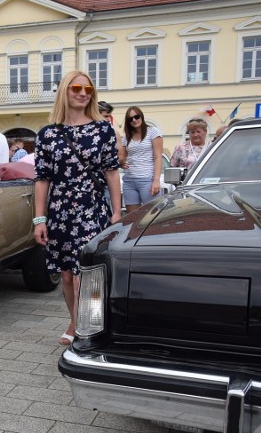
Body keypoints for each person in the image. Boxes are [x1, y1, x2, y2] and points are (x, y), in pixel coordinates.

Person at [33, 70, 121, 346]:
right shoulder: (47, 134)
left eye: (88, 89)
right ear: (64, 91)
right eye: (76, 88)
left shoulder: (102, 128)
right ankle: (75, 321)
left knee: (87, 275)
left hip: (91, 207)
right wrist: (39, 218)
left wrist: (117, 212)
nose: (83, 93)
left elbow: (111, 172)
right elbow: (42, 178)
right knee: (67, 276)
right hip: (60, 210)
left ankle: (88, 328)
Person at [120, 106, 163, 213]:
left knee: (152, 216)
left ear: (141, 116)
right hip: (129, 181)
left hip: (147, 180)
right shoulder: (127, 137)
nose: (134, 120)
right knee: (132, 218)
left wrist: (156, 181)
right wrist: (121, 163)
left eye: (136, 116)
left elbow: (158, 157)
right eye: (130, 119)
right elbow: (122, 157)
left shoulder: (153, 131)